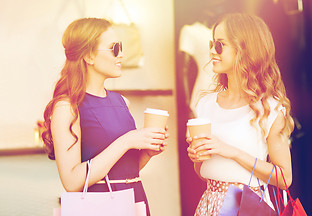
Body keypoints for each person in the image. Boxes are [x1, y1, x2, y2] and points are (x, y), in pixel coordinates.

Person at [42, 18, 168, 216]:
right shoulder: (67, 107)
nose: (122, 55)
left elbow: (126, 171)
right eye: (114, 48)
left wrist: (147, 152)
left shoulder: (121, 102)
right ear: (89, 56)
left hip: (134, 200)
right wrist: (127, 141)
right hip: (99, 207)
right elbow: (71, 181)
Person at [187, 13, 294, 215]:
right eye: (212, 44)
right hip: (211, 203)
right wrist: (197, 158)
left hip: (249, 205)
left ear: (245, 49)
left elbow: (284, 177)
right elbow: (205, 172)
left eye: (220, 45)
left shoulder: (269, 107)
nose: (212, 51)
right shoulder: (205, 105)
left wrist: (233, 152)